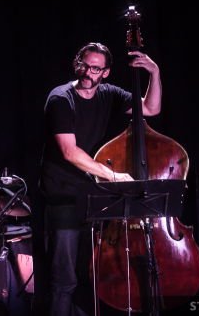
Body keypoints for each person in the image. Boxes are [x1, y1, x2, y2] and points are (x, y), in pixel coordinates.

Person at [39, 42, 162, 316]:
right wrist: (114, 176)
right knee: (63, 282)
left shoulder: (108, 94)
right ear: (76, 63)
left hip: (92, 199)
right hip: (63, 199)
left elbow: (150, 109)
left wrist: (154, 73)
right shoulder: (60, 98)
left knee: (88, 279)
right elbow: (70, 152)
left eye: (95, 68)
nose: (88, 72)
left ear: (105, 73)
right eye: (84, 65)